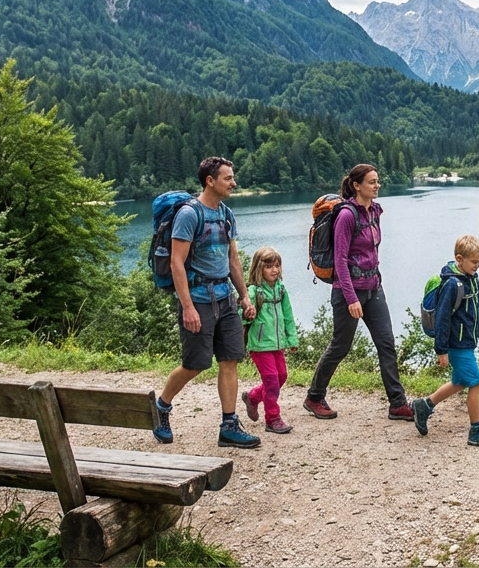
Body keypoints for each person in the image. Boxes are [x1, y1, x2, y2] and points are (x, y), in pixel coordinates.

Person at [152, 157, 261, 449]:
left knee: (230, 360)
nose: (233, 183)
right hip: (198, 300)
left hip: (225, 299)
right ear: (210, 181)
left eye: (232, 177)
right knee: (195, 364)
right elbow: (176, 263)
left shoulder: (226, 214)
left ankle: (229, 425)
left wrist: (245, 294)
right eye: (227, 178)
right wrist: (187, 306)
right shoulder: (190, 214)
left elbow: (232, 259)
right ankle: (161, 406)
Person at [303, 163, 413, 421]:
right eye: (372, 182)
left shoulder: (374, 211)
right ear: (357, 185)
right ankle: (314, 397)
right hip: (348, 292)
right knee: (340, 347)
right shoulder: (346, 215)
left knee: (386, 344)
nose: (377, 185)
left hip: (374, 289)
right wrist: (351, 298)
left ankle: (397, 404)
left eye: (378, 181)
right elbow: (340, 260)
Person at [410, 235, 479, 448]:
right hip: (456, 344)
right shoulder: (452, 284)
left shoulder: (472, 278)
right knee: (476, 381)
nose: (477, 266)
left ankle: (423, 406)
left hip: (467, 341)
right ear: (459, 259)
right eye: (474, 262)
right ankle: (476, 430)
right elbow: (442, 318)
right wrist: (441, 350)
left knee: (460, 381)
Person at [241, 247, 298, 434]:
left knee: (281, 376)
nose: (275, 270)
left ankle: (253, 397)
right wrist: (248, 314)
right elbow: (240, 316)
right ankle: (273, 418)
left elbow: (288, 315)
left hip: (278, 343)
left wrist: (292, 339)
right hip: (260, 345)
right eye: (269, 267)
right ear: (259, 269)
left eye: (277, 266)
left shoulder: (281, 290)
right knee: (272, 381)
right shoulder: (252, 291)